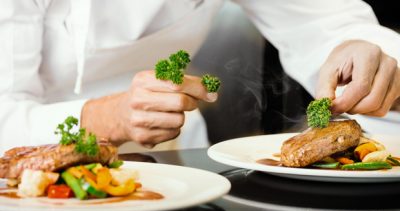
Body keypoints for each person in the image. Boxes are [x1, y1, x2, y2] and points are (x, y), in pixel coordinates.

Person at [0, 0, 399, 152]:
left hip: (177, 173)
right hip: (31, 176)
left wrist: (361, 51)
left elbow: (328, 23)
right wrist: (110, 118)